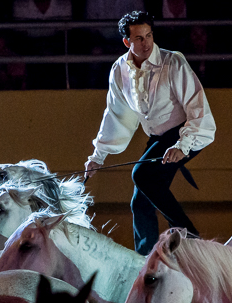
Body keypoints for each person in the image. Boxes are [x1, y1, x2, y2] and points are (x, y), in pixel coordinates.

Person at [83, 11, 216, 256]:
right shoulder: (119, 69)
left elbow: (198, 108)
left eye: (149, 35)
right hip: (158, 138)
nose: (146, 43)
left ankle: (189, 236)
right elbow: (116, 115)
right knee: (140, 202)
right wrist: (97, 157)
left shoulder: (173, 62)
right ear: (126, 42)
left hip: (187, 133)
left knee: (141, 175)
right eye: (139, 38)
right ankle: (145, 259)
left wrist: (182, 146)